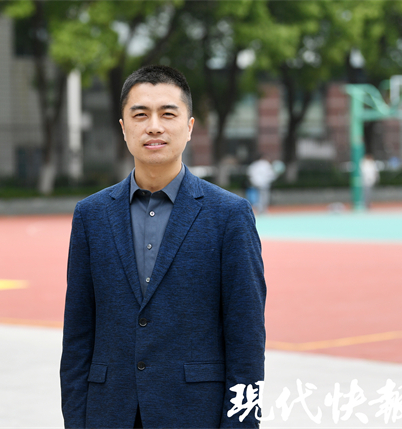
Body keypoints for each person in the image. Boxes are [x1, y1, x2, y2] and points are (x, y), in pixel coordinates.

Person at [60, 65, 266, 429]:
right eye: (140, 115)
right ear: (123, 128)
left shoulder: (229, 215)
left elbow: (246, 341)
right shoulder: (91, 215)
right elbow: (78, 336)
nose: (154, 126)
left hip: (196, 415)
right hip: (109, 415)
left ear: (189, 127)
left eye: (168, 114)